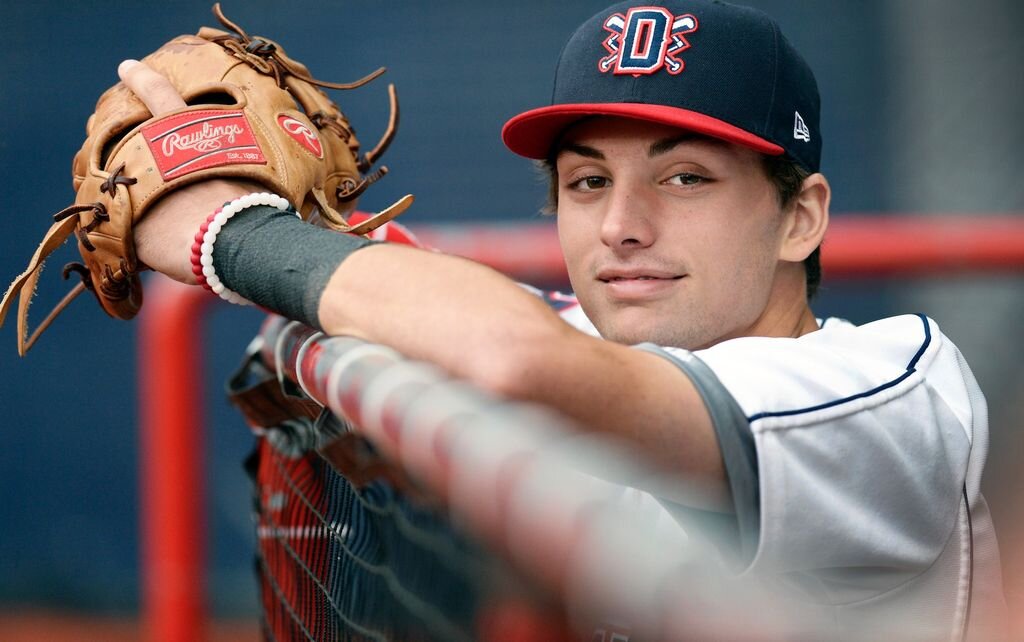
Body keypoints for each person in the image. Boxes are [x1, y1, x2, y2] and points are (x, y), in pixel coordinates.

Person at [118, 0, 1008, 639]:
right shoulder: (595, 337)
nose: (620, 224)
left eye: (684, 177)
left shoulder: (888, 393)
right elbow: (472, 310)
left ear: (800, 218)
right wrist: (263, 198)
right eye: (587, 181)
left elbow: (518, 354)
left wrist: (233, 234)